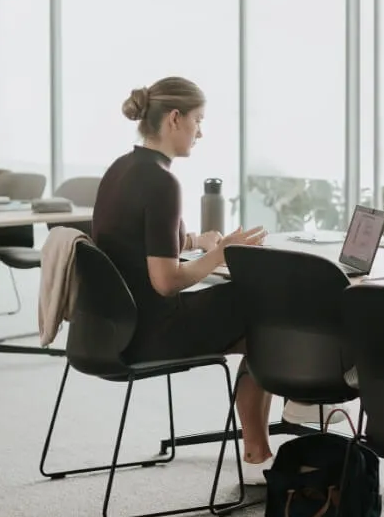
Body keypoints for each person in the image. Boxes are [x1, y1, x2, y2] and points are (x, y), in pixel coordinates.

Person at [90, 77, 273, 483]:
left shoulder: (121, 168)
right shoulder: (162, 181)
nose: (201, 132)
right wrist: (220, 253)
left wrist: (193, 241)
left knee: (252, 321)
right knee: (264, 315)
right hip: (150, 333)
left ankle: (260, 448)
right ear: (175, 118)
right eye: (198, 121)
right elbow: (166, 281)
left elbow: (133, 242)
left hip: (110, 330)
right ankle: (259, 450)